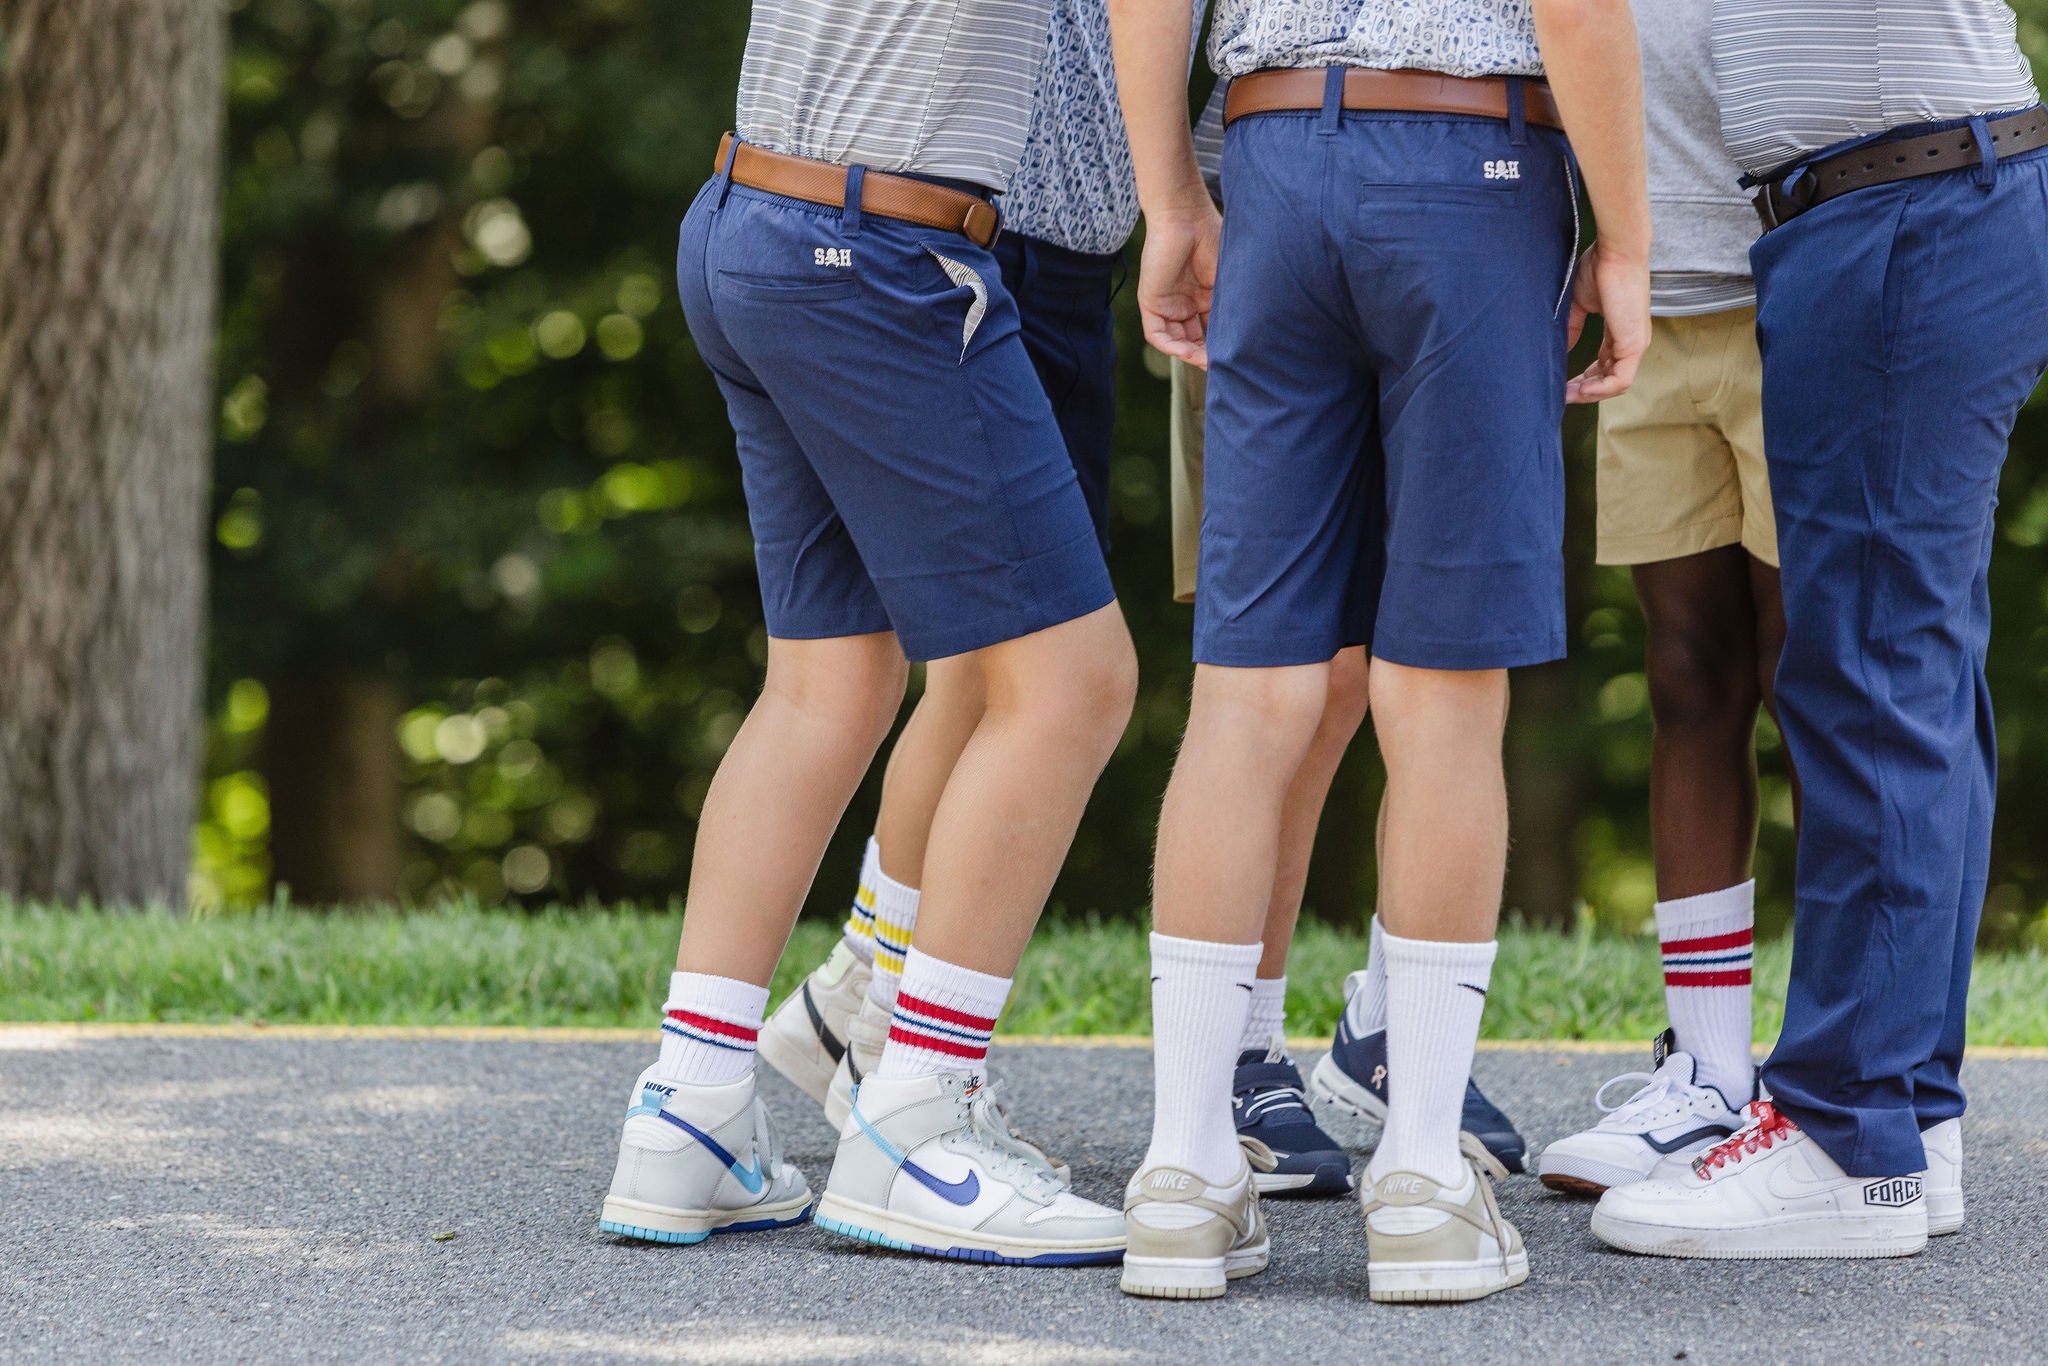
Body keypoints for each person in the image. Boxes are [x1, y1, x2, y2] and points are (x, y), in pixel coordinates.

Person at [1109, 0, 1649, 1303]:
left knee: (1249, 697)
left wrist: (1174, 198)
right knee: (1442, 698)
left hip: (1277, 161)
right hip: (1471, 172)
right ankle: (1416, 1178)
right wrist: (1629, 238)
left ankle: (1184, 1172)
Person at [597, 0, 1140, 1268]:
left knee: (825, 687)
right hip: (879, 252)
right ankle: (913, 1123)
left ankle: (690, 1113)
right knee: (1071, 684)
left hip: (748, 222)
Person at [1592, 0, 2048, 1259]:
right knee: (1908, 673)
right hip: (1901, 202)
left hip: (1901, 208)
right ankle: (1910, 1116)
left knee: (1868, 683)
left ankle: (1844, 1137)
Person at [1170, 86, 1524, 1198]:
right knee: (1358, 686)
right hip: (1315, 185)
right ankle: (1262, 1080)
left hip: (1277, 186)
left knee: (1302, 688)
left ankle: (1196, 1158)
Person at [1538, 0, 1777, 1196]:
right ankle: (1707, 1065)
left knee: (1821, 681)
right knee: (1685, 676)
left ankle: (1834, 1062)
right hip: (1652, 299)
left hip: (1799, 282)